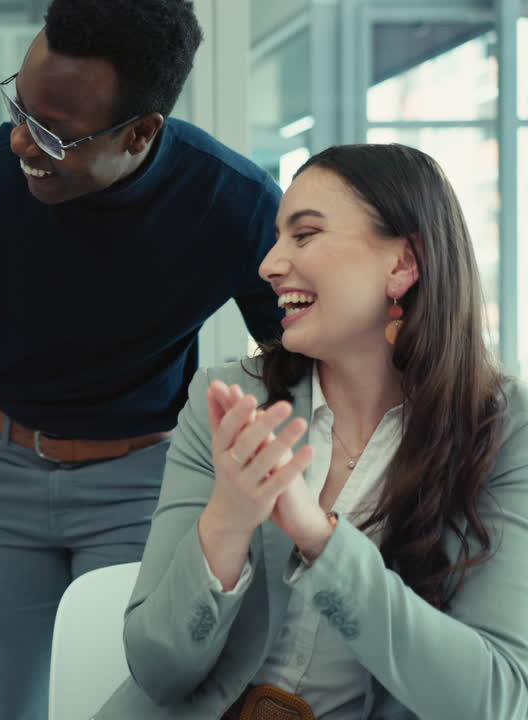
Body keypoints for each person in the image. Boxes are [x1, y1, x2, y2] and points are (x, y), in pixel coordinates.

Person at [0, 1, 283, 716]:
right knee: (0, 704)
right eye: (19, 111)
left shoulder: (233, 203)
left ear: (141, 132)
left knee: (125, 698)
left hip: (141, 483)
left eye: (54, 135)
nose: (23, 143)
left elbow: (299, 354)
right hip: (0, 475)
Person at [103, 143, 528, 719]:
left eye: (303, 235)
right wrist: (228, 519)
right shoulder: (229, 402)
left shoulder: (504, 432)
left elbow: (493, 701)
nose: (269, 264)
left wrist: (318, 538)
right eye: (279, 236)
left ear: (403, 263)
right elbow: (159, 670)